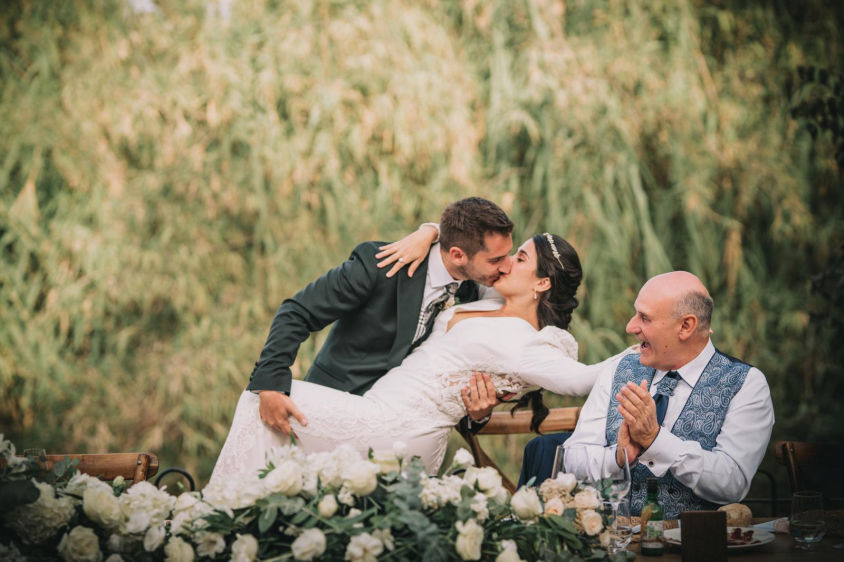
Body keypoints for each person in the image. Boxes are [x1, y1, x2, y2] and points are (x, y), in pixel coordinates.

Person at [210, 233, 604, 481]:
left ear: (542, 283)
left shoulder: (527, 343)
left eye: (519, 258)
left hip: (400, 430)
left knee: (260, 398)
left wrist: (648, 349)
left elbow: (581, 380)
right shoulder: (487, 299)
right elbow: (461, 247)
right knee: (271, 417)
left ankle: (226, 518)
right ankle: (255, 520)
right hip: (374, 409)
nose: (505, 263)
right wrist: (429, 232)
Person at [247, 197, 514, 441]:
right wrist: (270, 386)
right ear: (457, 255)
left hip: (399, 438)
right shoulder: (380, 267)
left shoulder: (472, 294)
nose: (507, 265)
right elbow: (298, 312)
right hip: (325, 416)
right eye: (497, 259)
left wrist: (479, 415)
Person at [562, 271, 774, 518]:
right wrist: (618, 458)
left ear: (686, 326)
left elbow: (732, 483)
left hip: (695, 547)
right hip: (614, 545)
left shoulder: (746, 384)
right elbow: (571, 460)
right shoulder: (617, 370)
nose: (631, 326)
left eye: (644, 317)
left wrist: (655, 440)